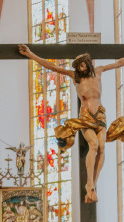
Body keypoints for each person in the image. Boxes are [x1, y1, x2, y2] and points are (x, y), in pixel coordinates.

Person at [19, 45, 124, 203]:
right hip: (86, 116)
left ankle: (93, 185)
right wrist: (30, 54)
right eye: (78, 66)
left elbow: (118, 63)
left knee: (102, 147)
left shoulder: (99, 71)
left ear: (88, 64)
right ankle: (89, 184)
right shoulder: (75, 76)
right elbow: (51, 66)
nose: (80, 68)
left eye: (82, 65)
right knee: (94, 145)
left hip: (100, 115)